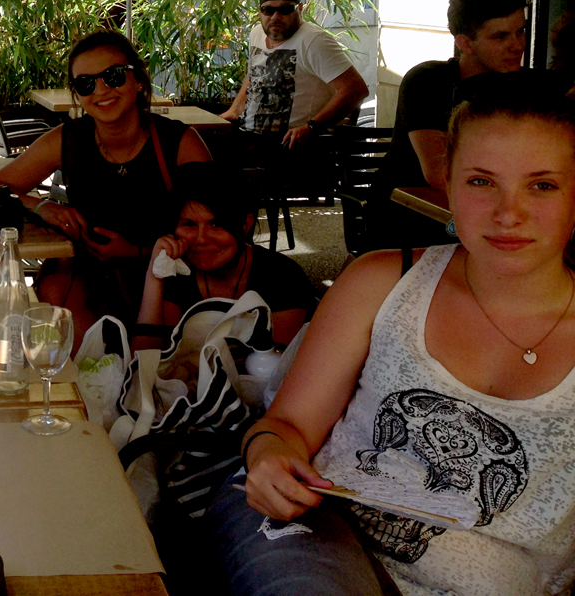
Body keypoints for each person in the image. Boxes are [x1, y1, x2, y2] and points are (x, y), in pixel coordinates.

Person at [208, 82, 575, 596]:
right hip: (323, 538)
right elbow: (286, 425)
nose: (508, 212)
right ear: (445, 182)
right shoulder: (380, 283)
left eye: (542, 185)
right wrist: (268, 457)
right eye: (481, 181)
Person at [0, 29, 213, 343]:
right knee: (58, 297)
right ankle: (87, 387)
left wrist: (135, 252)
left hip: (169, 271)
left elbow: (216, 231)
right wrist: (41, 206)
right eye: (86, 83)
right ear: (77, 95)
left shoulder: (180, 143)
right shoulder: (67, 140)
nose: (102, 90)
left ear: (138, 80)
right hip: (90, 270)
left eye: (114, 76)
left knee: (158, 355)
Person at [136, 162, 315, 348]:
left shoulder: (283, 278)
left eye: (216, 224)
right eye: (189, 224)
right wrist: (154, 275)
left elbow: (275, 369)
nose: (201, 239)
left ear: (245, 226)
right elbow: (144, 358)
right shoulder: (176, 273)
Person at [382, 0, 529, 193]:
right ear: (466, 44)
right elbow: (441, 174)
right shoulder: (427, 80)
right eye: (501, 37)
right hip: (410, 211)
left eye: (521, 32)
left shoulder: (530, 84)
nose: (517, 46)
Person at [221, 0, 369, 148]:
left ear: (299, 8)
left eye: (285, 9)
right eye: (268, 10)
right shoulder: (257, 34)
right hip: (250, 135)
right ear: (259, 11)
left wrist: (312, 127)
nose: (276, 17)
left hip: (291, 143)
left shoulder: (313, 41)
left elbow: (356, 89)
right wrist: (234, 111)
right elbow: (254, 75)